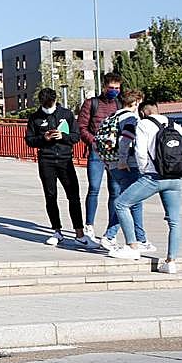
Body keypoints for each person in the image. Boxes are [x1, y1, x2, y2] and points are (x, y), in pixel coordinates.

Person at [109, 100, 182, 273]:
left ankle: (132, 247)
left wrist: (145, 171)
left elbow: (140, 152)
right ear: (157, 110)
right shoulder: (175, 125)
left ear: (143, 113)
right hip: (175, 179)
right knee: (174, 220)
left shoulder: (143, 124)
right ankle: (171, 262)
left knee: (121, 204)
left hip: (153, 177)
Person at [25, 88, 98, 249]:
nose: (48, 107)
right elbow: (29, 140)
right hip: (46, 160)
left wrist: (62, 137)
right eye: (45, 105)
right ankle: (56, 230)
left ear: (55, 101)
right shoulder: (35, 117)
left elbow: (76, 137)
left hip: (65, 160)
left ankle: (79, 234)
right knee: (50, 195)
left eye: (50, 104)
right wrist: (43, 138)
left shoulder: (66, 114)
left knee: (73, 196)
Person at [99, 89, 155, 253]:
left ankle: (139, 238)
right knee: (131, 202)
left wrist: (110, 161)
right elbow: (126, 139)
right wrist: (123, 159)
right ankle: (111, 236)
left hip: (112, 163)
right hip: (127, 164)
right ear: (137, 102)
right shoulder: (130, 118)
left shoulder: (113, 116)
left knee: (130, 201)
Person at [77, 73, 123, 239]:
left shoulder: (119, 104)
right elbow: (82, 127)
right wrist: (94, 142)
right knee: (94, 189)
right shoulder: (91, 103)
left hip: (114, 153)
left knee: (115, 191)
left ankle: (111, 229)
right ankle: (89, 225)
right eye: (111, 88)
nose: (114, 91)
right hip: (96, 153)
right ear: (103, 87)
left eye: (117, 88)